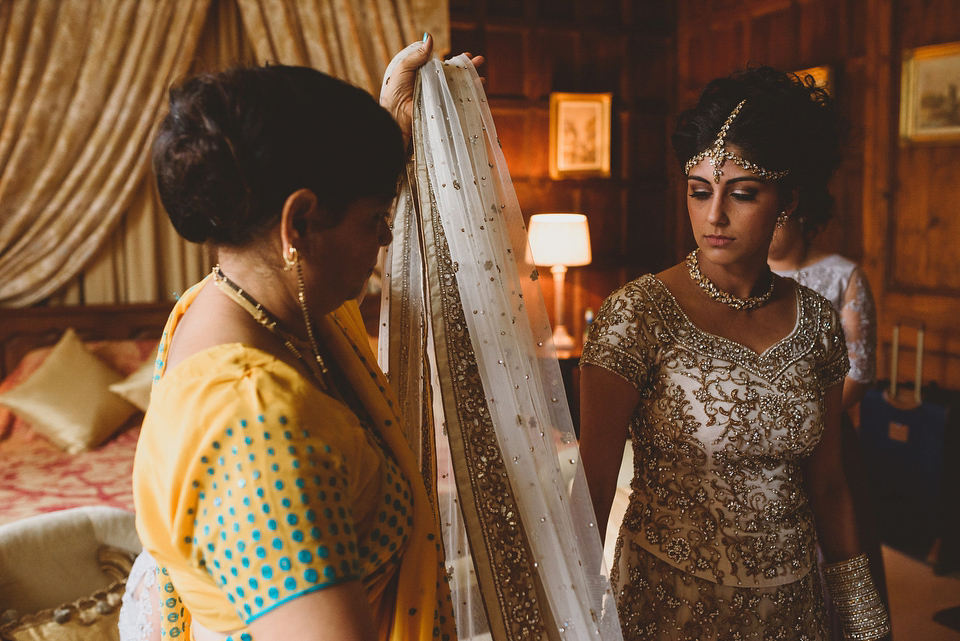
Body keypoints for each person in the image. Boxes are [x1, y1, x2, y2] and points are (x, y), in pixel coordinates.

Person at [123, 36, 482, 641]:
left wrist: (387, 122)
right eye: (376, 219)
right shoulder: (256, 423)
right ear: (299, 221)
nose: (384, 243)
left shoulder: (240, 303)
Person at [578, 66, 891, 640]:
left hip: (794, 610)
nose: (714, 215)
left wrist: (866, 623)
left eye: (742, 193)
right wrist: (571, 619)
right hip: (668, 607)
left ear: (788, 199)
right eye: (699, 191)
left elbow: (829, 485)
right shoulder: (637, 315)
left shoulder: (817, 323)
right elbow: (593, 490)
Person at [767, 201, 889, 637]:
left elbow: (860, 373)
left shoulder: (841, 275)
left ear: (799, 211)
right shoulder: (740, 275)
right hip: (756, 445)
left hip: (828, 437)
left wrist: (802, 422)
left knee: (834, 556)